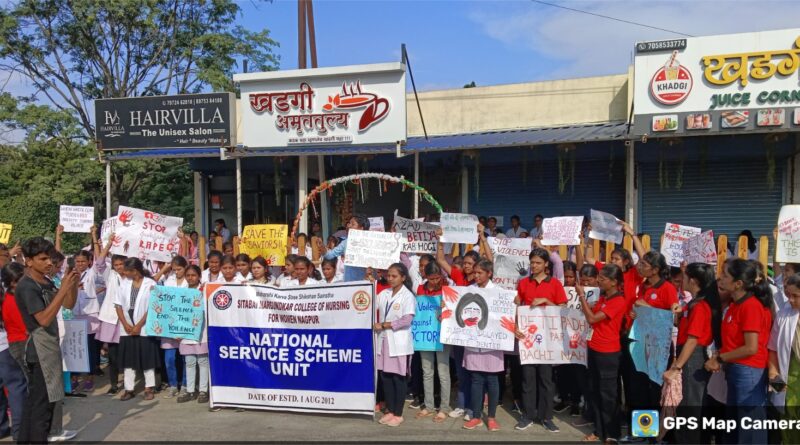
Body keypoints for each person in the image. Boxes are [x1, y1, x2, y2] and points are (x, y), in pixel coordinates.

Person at [15, 237, 78, 443]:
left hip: (49, 347)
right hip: (37, 350)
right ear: (29, 261)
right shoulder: (27, 286)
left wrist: (72, 284)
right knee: (41, 406)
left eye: (50, 258)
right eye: (43, 259)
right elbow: (43, 318)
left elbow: (68, 304)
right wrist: (62, 290)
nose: (49, 263)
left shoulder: (46, 280)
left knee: (40, 402)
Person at [706, 258, 772, 444]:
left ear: (738, 284)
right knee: (735, 427)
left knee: (748, 428)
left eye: (725, 275)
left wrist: (719, 359)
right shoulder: (736, 304)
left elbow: (751, 347)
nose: (720, 278)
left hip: (748, 372)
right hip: (736, 370)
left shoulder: (751, 306)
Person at [662, 262, 721, 444]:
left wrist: (676, 367)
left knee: (689, 410)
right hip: (689, 355)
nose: (681, 279)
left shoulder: (700, 306)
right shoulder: (694, 303)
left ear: (693, 281)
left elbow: (693, 339)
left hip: (692, 358)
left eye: (685, 275)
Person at [515, 248, 567, 433]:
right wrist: (515, 327)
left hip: (547, 342)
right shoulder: (523, 283)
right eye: (532, 262)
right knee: (528, 379)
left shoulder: (555, 284)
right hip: (528, 340)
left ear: (546, 264)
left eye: (537, 262)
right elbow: (516, 305)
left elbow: (563, 308)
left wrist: (546, 300)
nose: (534, 266)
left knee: (546, 379)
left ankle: (547, 417)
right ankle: (528, 415)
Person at [576, 264, 626, 443]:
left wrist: (581, 296)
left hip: (608, 353)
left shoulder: (618, 301)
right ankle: (599, 430)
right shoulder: (603, 297)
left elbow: (592, 318)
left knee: (608, 396)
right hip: (594, 348)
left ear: (614, 282)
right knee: (595, 392)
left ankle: (612, 433)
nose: (599, 281)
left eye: (603, 279)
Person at [460, 259, 504, 432]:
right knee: (476, 380)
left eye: (480, 273)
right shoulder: (468, 290)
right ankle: (477, 416)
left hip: (492, 345)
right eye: (475, 273)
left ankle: (491, 417)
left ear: (489, 273)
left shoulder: (499, 292)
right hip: (473, 344)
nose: (476, 276)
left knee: (492, 381)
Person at [374, 263, 416, 427]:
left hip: (399, 342)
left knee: (398, 378)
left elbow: (407, 319)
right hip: (384, 341)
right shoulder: (384, 293)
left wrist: (384, 325)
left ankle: (398, 413)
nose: (390, 279)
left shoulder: (407, 296)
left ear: (403, 278)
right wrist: (370, 283)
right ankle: (390, 410)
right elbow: (371, 303)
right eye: (388, 276)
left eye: (394, 276)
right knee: (386, 377)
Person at [115, 258, 160, 401]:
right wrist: (126, 324)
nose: (125, 273)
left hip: (144, 325)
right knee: (129, 360)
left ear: (135, 271)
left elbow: (152, 306)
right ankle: (129, 389)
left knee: (147, 358)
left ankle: (149, 387)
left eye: (127, 270)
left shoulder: (150, 284)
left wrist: (139, 325)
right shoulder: (124, 283)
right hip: (127, 326)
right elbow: (118, 305)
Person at [414, 261, 451, 423]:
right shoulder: (420, 289)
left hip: (441, 335)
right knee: (426, 371)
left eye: (438, 278)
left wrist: (446, 309)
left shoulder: (447, 289)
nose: (435, 281)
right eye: (431, 278)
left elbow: (454, 311)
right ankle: (428, 406)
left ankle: (444, 407)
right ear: (425, 276)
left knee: (443, 372)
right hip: (424, 336)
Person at [0, 263, 28, 441]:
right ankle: (19, 433)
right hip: (5, 347)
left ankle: (3, 427)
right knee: (17, 388)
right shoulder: (10, 299)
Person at [155, 256, 189, 398]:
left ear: (185, 267)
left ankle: (186, 384)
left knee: (186, 358)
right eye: (174, 269)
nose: (177, 272)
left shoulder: (190, 281)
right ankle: (173, 384)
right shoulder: (168, 280)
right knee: (169, 359)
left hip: (185, 323)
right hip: (169, 325)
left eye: (179, 269)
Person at [178, 265, 209, 404]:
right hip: (186, 332)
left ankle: (203, 390)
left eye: (193, 275)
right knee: (189, 362)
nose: (190, 278)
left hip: (201, 331)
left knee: (202, 361)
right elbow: (175, 312)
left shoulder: (204, 291)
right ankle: (190, 390)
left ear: (199, 276)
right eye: (188, 275)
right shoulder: (181, 292)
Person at [96, 254, 126, 395]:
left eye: (121, 264)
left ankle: (128, 382)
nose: (119, 267)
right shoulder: (110, 275)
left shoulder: (131, 276)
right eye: (116, 264)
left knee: (126, 353)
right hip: (111, 318)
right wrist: (107, 244)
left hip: (126, 319)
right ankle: (114, 384)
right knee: (112, 355)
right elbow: (100, 262)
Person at [322, 215, 370, 282]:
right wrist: (322, 247)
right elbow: (329, 255)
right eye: (349, 223)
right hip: (349, 281)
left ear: (361, 228)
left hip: (366, 282)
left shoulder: (371, 242)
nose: (349, 226)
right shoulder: (346, 242)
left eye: (353, 224)